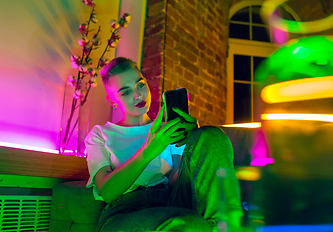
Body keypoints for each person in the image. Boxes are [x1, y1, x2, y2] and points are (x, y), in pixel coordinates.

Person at [85, 57, 243, 232]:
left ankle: (222, 227)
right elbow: (107, 192)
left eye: (140, 85)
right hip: (125, 211)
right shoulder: (100, 134)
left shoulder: (166, 130)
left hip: (171, 201)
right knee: (188, 224)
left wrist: (195, 142)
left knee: (212, 136)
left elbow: (176, 182)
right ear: (112, 100)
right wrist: (149, 150)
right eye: (126, 92)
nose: (138, 95)